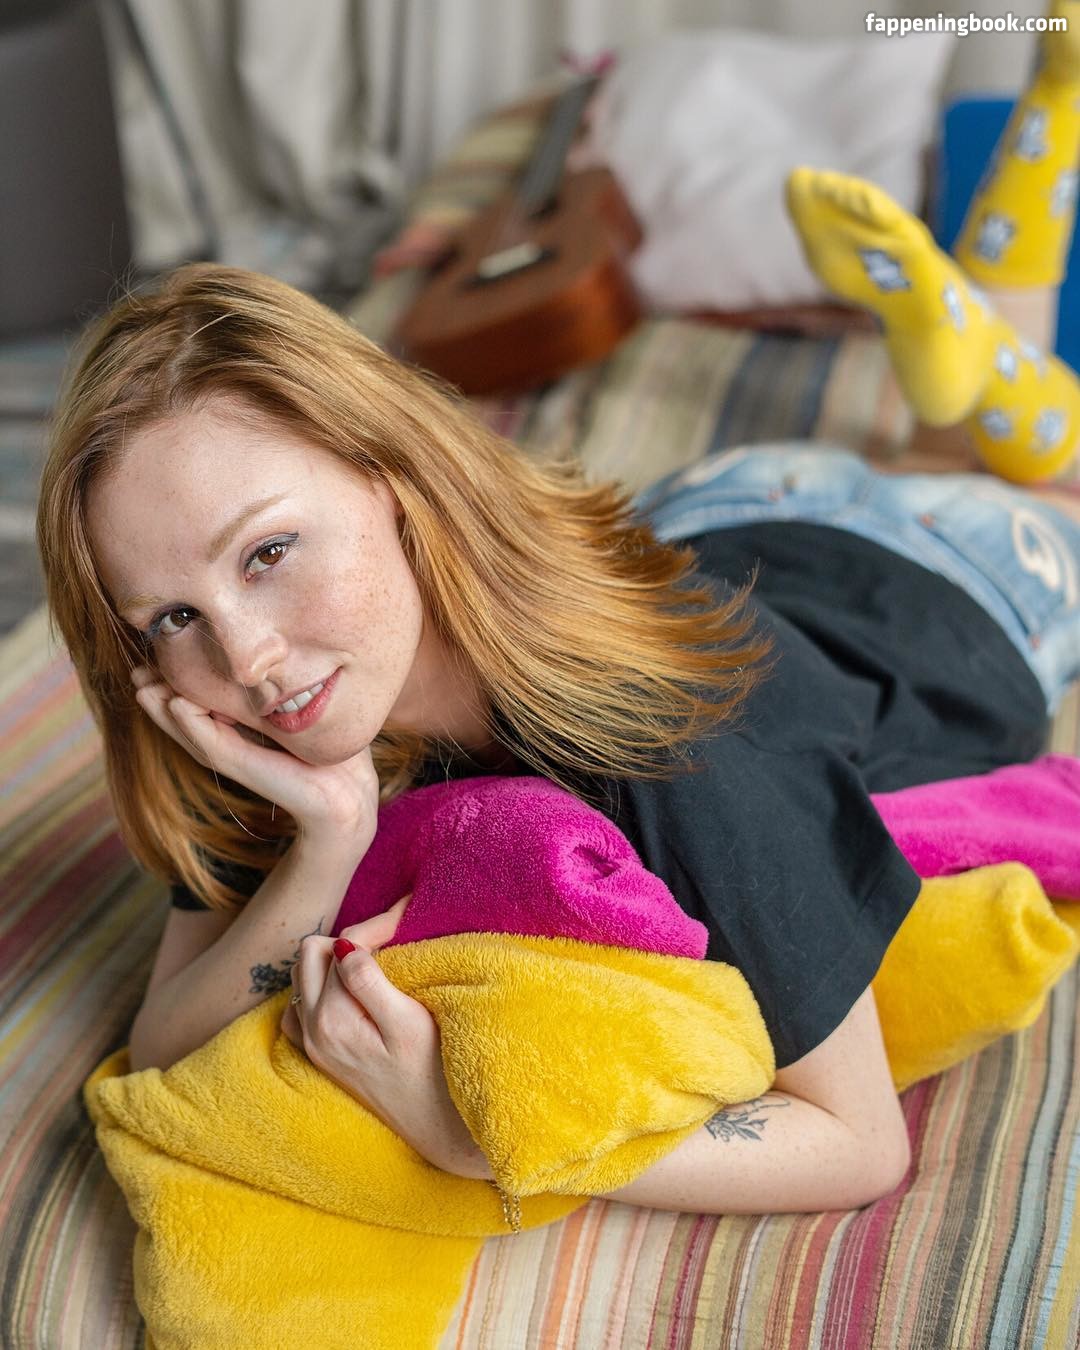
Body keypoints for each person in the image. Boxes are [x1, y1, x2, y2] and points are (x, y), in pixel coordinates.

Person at [36, 16, 1080, 1218]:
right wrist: (323, 847)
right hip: (720, 512)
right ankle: (961, 359)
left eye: (269, 553)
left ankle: (1043, 134)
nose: (248, 657)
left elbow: (857, 1145)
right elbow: (163, 1047)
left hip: (947, 574)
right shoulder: (262, 715)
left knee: (1034, 474)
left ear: (391, 474)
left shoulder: (673, 743)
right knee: (964, 422)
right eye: (170, 616)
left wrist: (475, 1137)